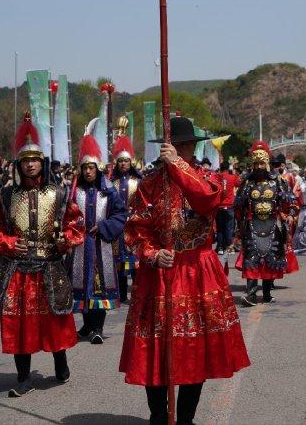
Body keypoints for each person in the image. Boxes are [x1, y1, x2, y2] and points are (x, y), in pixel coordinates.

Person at [119, 117, 250, 424]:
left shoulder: (211, 179)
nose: (180, 150)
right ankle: (158, 416)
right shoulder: (149, 185)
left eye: (185, 146)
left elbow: (205, 200)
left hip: (198, 271)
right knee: (155, 347)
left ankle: (186, 418)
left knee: (195, 347)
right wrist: (152, 253)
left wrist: (178, 166)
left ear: (193, 147)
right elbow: (135, 229)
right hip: (160, 274)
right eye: (174, 146)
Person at [0, 113, 84, 397]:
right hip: (16, 269)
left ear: (43, 162)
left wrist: (65, 239)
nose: (30, 164)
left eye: (35, 159)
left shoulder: (59, 194)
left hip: (49, 267)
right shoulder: (6, 196)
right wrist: (6, 242)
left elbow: (75, 226)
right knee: (19, 324)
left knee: (54, 320)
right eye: (25, 160)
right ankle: (23, 377)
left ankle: (60, 362)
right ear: (19, 165)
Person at [68, 134, 127, 344]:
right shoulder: (76, 191)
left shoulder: (108, 190)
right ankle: (87, 325)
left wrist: (103, 227)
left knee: (99, 286)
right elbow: (67, 215)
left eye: (91, 168)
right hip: (80, 247)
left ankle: (98, 327)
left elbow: (120, 215)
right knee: (81, 287)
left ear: (97, 168)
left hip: (101, 246)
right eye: (85, 168)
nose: (88, 171)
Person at [235, 140, 299, 306]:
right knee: (251, 259)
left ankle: (267, 292)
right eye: (255, 163)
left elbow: (291, 201)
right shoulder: (247, 182)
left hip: (273, 224)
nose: (259, 167)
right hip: (252, 225)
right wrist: (239, 225)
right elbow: (238, 205)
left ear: (267, 164)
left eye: (262, 163)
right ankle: (251, 294)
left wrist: (291, 214)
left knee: (271, 259)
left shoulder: (278, 181)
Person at [110, 134, 142, 303]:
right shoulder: (111, 183)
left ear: (131, 163)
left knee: (135, 262)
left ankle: (137, 294)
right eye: (120, 161)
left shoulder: (138, 182)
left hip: (134, 225)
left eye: (126, 161)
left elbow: (144, 204)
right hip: (117, 227)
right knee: (118, 263)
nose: (123, 164)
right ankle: (121, 294)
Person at [216, 161, 240, 255]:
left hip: (219, 207)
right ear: (228, 168)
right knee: (229, 228)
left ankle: (220, 247)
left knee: (220, 228)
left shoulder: (217, 177)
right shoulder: (233, 177)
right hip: (229, 206)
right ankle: (229, 247)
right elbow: (239, 183)